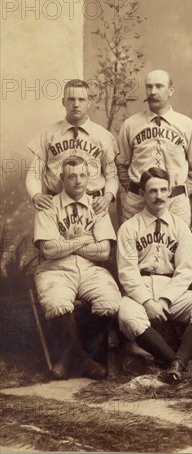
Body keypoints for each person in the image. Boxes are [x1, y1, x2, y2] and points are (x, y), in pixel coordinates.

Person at [117, 167, 192, 384]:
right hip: (140, 287)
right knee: (126, 315)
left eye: (164, 190)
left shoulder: (180, 227)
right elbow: (126, 272)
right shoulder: (129, 227)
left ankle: (176, 364)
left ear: (170, 192)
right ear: (143, 194)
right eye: (153, 191)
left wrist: (164, 300)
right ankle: (177, 363)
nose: (159, 196)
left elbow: (185, 271)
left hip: (171, 288)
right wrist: (147, 302)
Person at [33, 156, 120, 379]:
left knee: (110, 301)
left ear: (88, 176)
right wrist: (84, 239)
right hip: (56, 269)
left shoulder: (97, 205)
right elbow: (49, 251)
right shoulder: (48, 205)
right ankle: (83, 359)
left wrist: (66, 244)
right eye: (72, 176)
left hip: (91, 269)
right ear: (62, 178)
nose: (78, 181)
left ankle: (71, 357)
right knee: (57, 303)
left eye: (82, 175)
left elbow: (104, 252)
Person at [116, 69, 192, 225]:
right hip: (137, 201)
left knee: (177, 245)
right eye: (149, 86)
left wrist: (180, 190)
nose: (153, 92)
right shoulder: (130, 125)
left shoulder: (186, 125)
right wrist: (135, 190)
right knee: (134, 244)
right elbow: (121, 164)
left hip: (175, 202)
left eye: (159, 86)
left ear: (171, 90)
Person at [26, 79, 119, 216]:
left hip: (92, 204)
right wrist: (36, 195)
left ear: (89, 103)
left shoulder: (103, 135)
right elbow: (34, 171)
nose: (76, 104)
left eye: (81, 99)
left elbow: (112, 174)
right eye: (71, 99)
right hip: (55, 204)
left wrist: (107, 197)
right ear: (63, 102)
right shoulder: (48, 134)